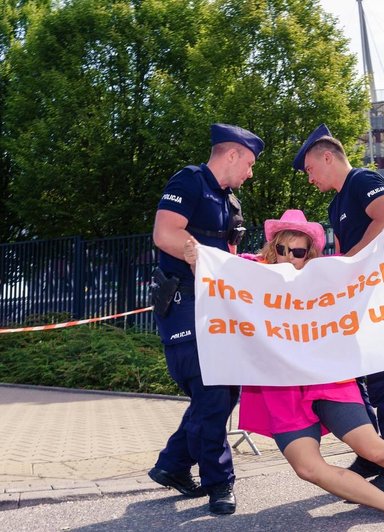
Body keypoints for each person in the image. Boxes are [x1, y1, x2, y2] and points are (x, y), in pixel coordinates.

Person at [186, 210, 384, 525]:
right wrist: (196, 260)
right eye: (282, 249)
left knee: (375, 449)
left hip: (327, 380)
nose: (289, 257)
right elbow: (216, 281)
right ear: (271, 246)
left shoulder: (326, 275)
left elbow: (365, 274)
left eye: (298, 251)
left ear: (310, 252)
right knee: (307, 468)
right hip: (278, 389)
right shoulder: (252, 271)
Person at [294, 124, 384, 497]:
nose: (310, 178)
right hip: (360, 298)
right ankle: (372, 454)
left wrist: (346, 262)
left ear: (327, 157)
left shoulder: (363, 180)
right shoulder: (336, 204)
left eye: (310, 169)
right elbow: (339, 256)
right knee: (355, 378)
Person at [148, 123, 264, 515]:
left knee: (222, 391)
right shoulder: (190, 181)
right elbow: (166, 234)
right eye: (248, 163)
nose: (250, 173)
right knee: (212, 393)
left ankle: (173, 464)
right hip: (184, 303)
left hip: (217, 309)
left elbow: (228, 255)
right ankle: (219, 484)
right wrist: (203, 257)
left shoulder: (231, 202)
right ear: (231, 154)